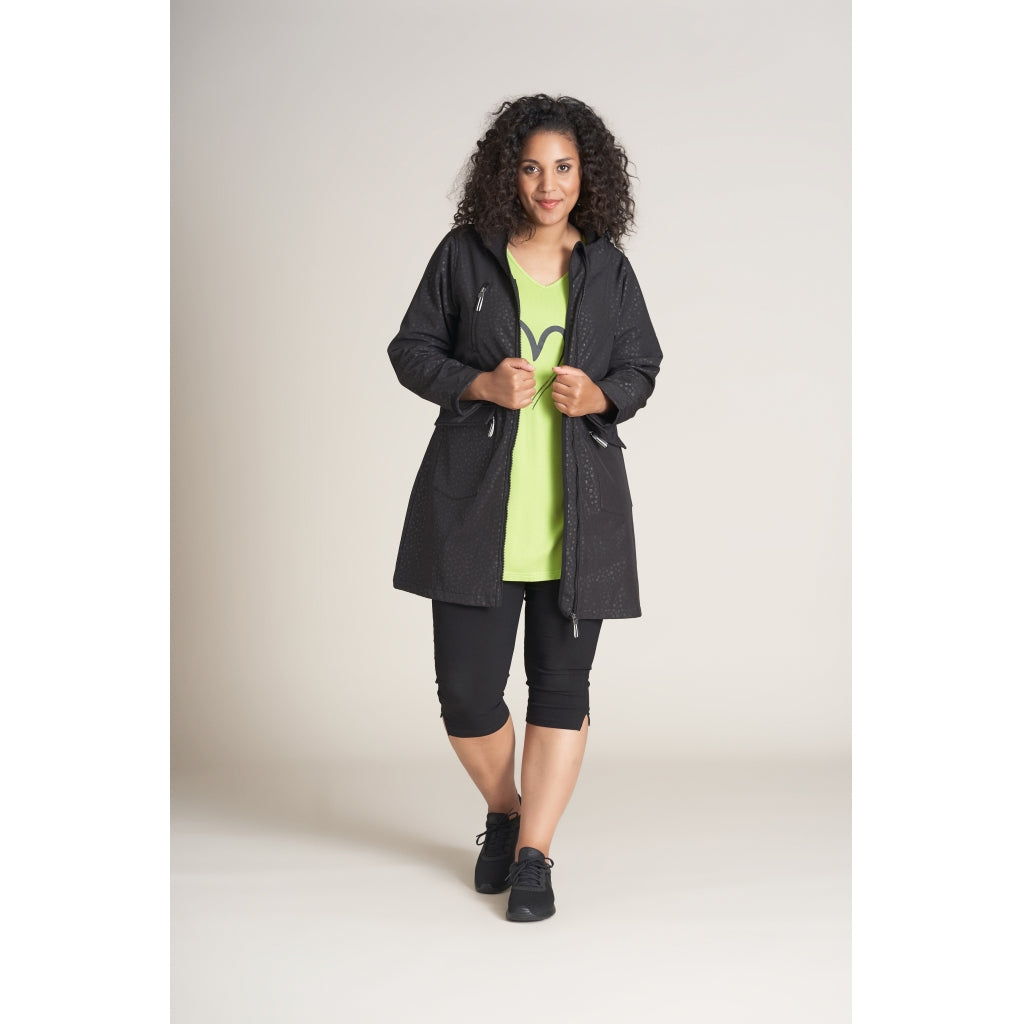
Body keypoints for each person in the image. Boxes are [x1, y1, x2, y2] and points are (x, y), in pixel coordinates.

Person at [388, 94, 662, 922]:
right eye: (533, 167)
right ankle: (506, 812)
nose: (549, 184)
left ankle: (535, 854)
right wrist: (477, 382)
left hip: (580, 522)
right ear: (508, 175)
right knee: (467, 698)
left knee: (561, 689)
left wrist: (601, 397)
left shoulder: (607, 269)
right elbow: (410, 349)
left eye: (564, 167)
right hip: (474, 516)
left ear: (588, 176)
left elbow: (642, 366)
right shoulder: (465, 256)